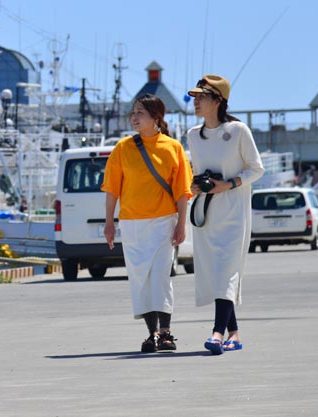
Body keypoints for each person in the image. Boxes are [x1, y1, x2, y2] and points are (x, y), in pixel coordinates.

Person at [102, 94, 192, 353]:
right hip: (131, 223)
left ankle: (166, 332)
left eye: (140, 112)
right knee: (140, 278)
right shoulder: (122, 148)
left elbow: (181, 192)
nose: (134, 117)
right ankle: (151, 334)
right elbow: (112, 189)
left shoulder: (173, 147)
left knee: (161, 276)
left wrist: (181, 224)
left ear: (156, 117)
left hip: (164, 221)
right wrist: (109, 222)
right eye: (133, 112)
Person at [186, 75, 264, 355]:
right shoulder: (193, 135)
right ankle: (234, 332)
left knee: (227, 272)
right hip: (207, 213)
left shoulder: (239, 131)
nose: (195, 101)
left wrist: (228, 184)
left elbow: (257, 169)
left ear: (218, 100)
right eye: (194, 97)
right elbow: (197, 172)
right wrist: (196, 185)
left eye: (201, 96)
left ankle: (217, 333)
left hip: (234, 212)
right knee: (215, 273)